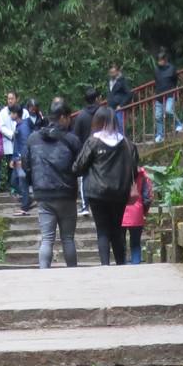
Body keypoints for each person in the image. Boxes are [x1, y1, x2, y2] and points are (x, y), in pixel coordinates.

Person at [72, 106, 139, 266]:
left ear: (97, 121)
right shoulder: (128, 144)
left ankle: (105, 265)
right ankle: (121, 263)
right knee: (117, 229)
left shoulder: (93, 141)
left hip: (97, 193)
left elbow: (78, 167)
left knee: (102, 230)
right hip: (120, 193)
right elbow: (134, 170)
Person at [21, 98, 82, 268]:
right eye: (69, 117)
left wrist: (33, 182)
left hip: (43, 194)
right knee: (68, 238)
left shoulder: (33, 138)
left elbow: (25, 164)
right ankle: (73, 273)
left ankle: (44, 273)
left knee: (47, 239)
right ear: (62, 117)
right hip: (67, 194)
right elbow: (81, 165)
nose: (70, 121)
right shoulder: (71, 140)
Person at [121, 160, 153, 265]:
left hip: (119, 211)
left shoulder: (117, 172)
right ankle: (136, 264)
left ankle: (121, 264)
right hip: (136, 211)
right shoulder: (142, 174)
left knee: (120, 243)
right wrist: (144, 211)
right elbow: (147, 197)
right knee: (135, 243)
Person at [72, 87, 99, 213]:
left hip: (85, 150)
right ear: (97, 98)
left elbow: (76, 136)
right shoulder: (103, 113)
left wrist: (78, 153)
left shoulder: (81, 116)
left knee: (84, 178)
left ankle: (85, 206)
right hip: (101, 149)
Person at [152, 50, 183, 143]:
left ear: (165, 60)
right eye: (158, 60)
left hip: (170, 94)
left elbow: (175, 80)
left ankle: (179, 124)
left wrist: (172, 88)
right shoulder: (156, 70)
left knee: (168, 110)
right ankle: (160, 135)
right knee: (158, 116)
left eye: (161, 60)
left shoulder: (172, 68)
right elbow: (156, 81)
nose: (159, 62)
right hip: (159, 95)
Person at [6, 104, 29, 210]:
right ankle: (27, 199)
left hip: (21, 160)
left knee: (21, 182)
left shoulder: (23, 127)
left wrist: (20, 159)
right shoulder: (18, 126)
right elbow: (17, 144)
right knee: (14, 182)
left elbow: (24, 144)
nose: (10, 115)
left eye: (11, 113)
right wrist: (13, 158)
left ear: (16, 114)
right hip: (17, 159)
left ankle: (25, 205)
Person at [107, 63, 131, 133]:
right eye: (110, 72)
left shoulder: (122, 81)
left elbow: (129, 94)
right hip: (111, 108)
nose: (112, 74)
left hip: (119, 109)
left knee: (120, 126)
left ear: (117, 72)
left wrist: (121, 105)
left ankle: (122, 139)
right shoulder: (110, 82)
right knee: (112, 127)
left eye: (113, 72)